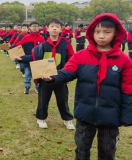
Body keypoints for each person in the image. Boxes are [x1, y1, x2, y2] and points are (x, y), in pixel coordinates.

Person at [42, 13, 132, 160]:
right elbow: (67, 72)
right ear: (92, 33)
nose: (101, 36)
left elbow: (128, 89)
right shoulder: (82, 56)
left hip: (110, 117)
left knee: (108, 152)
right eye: (97, 32)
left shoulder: (124, 60)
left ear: (116, 33)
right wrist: (53, 77)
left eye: (107, 32)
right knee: (82, 150)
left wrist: (127, 117)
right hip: (85, 114)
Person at [16, 18, 75, 130]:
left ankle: (67, 119)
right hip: (44, 78)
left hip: (60, 78)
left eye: (57, 26)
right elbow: (33, 58)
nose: (54, 28)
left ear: (61, 29)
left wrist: (69, 74)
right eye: (52, 26)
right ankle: (41, 118)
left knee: (63, 99)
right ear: (47, 29)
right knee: (43, 100)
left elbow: (72, 59)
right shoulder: (42, 46)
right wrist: (21, 59)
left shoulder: (66, 45)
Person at [11, 21, 45, 94]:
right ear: (30, 28)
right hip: (27, 60)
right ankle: (27, 87)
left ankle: (38, 87)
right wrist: (11, 49)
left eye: (36, 26)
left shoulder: (41, 38)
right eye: (33, 26)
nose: (35, 28)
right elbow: (18, 45)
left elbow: (45, 48)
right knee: (27, 75)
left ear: (39, 27)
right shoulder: (26, 37)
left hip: (37, 60)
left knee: (38, 75)